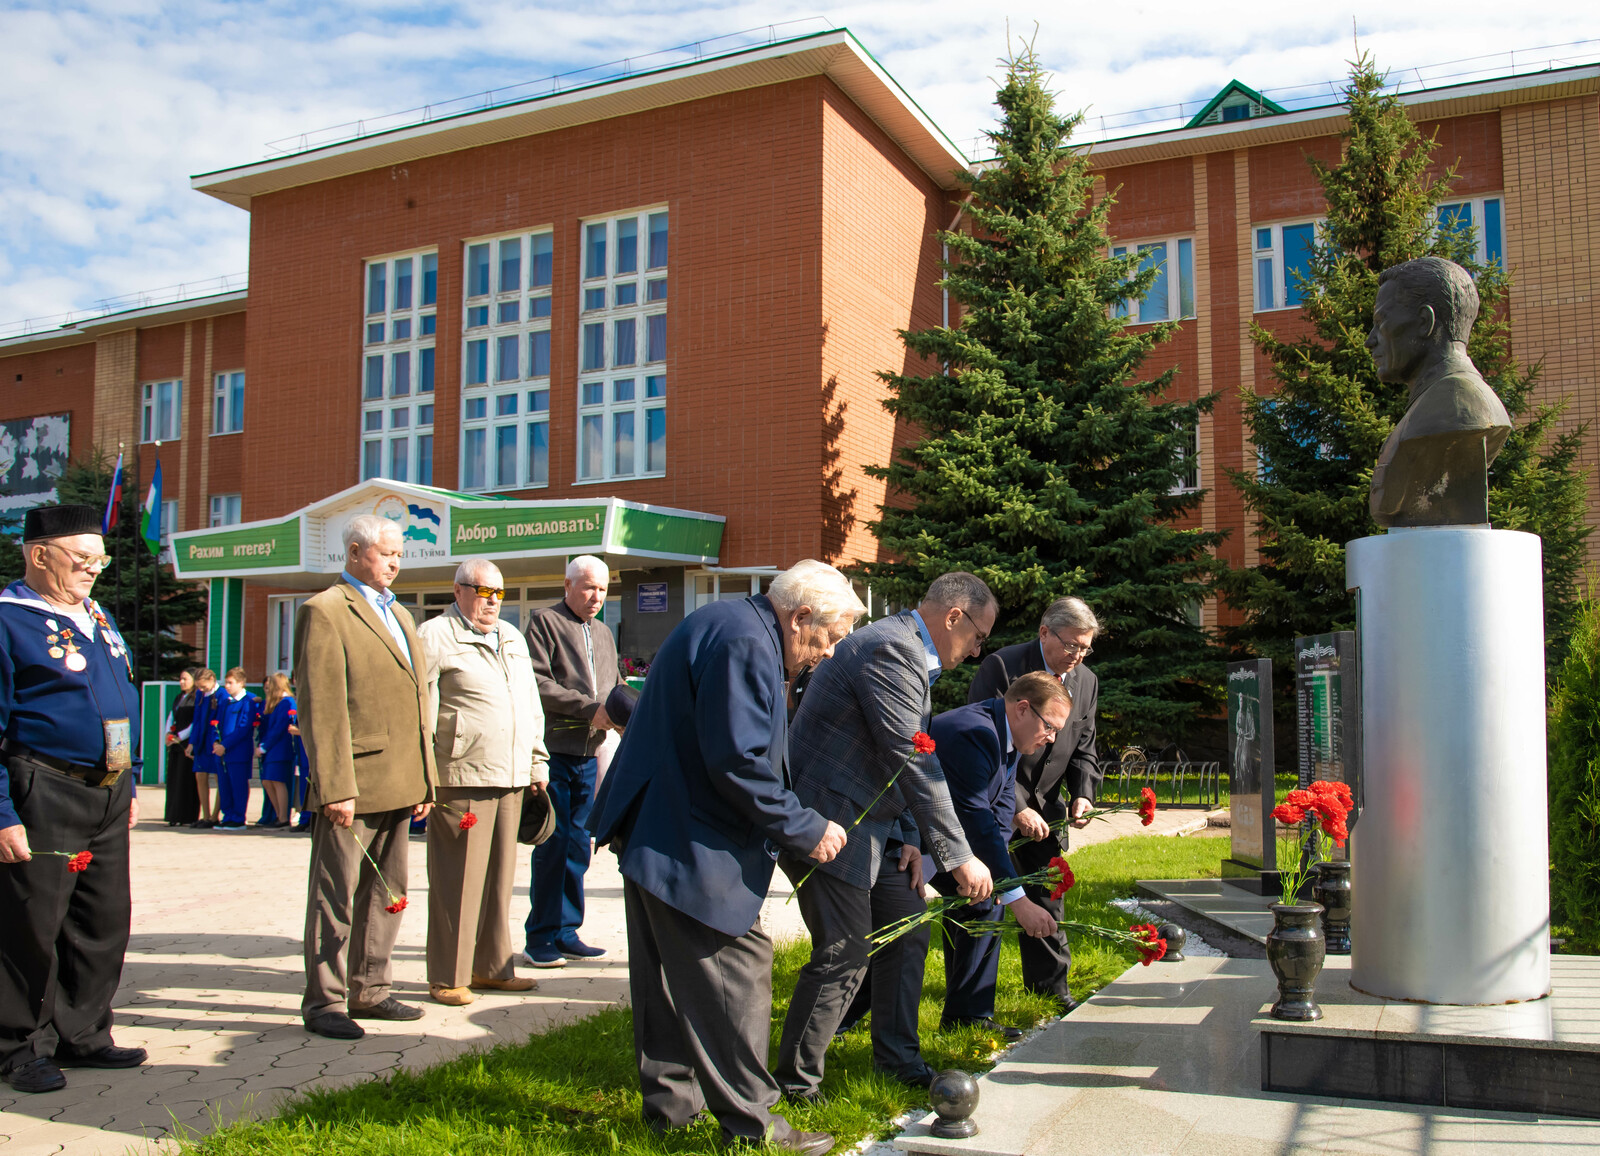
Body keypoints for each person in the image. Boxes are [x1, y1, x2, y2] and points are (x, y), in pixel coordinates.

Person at [589, 559, 860, 1154]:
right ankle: (755, 1125)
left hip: (659, 828)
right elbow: (738, 759)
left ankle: (671, 1112)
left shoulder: (732, 623)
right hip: (685, 838)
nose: (829, 653)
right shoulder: (747, 642)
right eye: (830, 637)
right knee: (737, 968)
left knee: (666, 981)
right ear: (800, 617)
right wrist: (804, 827)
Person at [775, 572, 996, 1099]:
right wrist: (959, 856)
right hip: (829, 820)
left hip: (874, 823)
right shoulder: (892, 649)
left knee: (906, 924)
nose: (977, 650)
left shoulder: (909, 649)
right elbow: (914, 760)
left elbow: (896, 756)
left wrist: (913, 838)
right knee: (845, 951)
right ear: (954, 617)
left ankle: (897, 1061)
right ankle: (796, 1084)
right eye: (979, 636)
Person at [0, 503, 147, 1094]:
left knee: (102, 920)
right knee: (31, 925)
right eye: (82, 558)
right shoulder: (9, 619)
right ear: (40, 555)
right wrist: (1, 813)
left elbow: (118, 695)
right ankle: (17, 1047)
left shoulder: (95, 615)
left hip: (107, 791)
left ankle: (83, 1034)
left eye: (100, 561)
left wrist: (127, 777)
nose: (93, 569)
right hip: (44, 788)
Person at [295, 513, 436, 1040]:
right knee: (335, 896)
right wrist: (335, 787)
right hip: (354, 785)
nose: (395, 563)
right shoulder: (326, 610)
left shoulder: (398, 612)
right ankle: (325, 1001)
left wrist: (427, 779)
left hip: (402, 779)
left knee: (387, 891)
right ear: (355, 553)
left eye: (400, 554)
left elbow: (418, 700)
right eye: (386, 553)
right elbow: (323, 707)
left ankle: (371, 988)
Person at [418, 558, 549, 1007]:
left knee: (498, 882)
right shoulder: (435, 635)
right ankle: (448, 976)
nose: (493, 601)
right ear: (458, 591)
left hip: (511, 775)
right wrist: (424, 775)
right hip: (462, 777)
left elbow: (530, 704)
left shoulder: (511, 636)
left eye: (499, 593)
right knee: (458, 881)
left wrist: (537, 762)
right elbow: (421, 709)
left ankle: (492, 968)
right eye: (483, 591)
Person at [967, 596, 1102, 1010]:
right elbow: (984, 743)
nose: (1077, 656)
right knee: (986, 900)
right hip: (997, 803)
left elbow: (1084, 746)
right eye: (1071, 645)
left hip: (1049, 808)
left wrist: (1084, 793)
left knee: (1047, 895)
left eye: (1085, 648)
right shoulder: (1003, 667)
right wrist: (1017, 806)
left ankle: (1050, 990)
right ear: (1045, 633)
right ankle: (972, 1004)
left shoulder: (1086, 681)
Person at [928, 672, 1070, 1037]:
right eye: (1049, 727)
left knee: (982, 901)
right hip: (908, 840)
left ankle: (966, 1018)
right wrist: (1018, 900)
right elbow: (977, 821)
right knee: (981, 901)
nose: (1051, 738)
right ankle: (843, 1022)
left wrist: (999, 878)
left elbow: (1001, 813)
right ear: (1022, 708)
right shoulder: (976, 733)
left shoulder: (1006, 735)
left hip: (944, 836)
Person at [522, 555, 618, 967]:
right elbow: (537, 681)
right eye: (589, 587)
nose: (596, 596)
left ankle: (566, 931)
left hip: (590, 753)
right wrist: (588, 709)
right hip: (556, 751)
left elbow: (612, 686)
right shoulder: (544, 622)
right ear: (567, 585)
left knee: (579, 844)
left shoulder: (603, 632)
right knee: (553, 844)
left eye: (603, 589)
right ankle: (540, 936)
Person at [1366, 256, 1512, 527]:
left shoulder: (1459, 402)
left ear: (1425, 322)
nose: (1370, 340)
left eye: (1381, 322)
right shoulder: (1430, 404)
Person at [212, 667, 260, 830]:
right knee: (224, 786)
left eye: (230, 683)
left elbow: (243, 728)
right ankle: (228, 816)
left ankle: (238, 818)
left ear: (240, 683)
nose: (227, 686)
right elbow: (216, 724)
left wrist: (225, 745)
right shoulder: (225, 702)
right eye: (226, 682)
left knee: (238, 786)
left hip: (238, 752)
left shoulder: (248, 702)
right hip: (222, 753)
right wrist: (216, 742)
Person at [257, 673, 298, 831]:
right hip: (273, 749)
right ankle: (278, 814)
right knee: (268, 782)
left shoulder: (287, 702)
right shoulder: (279, 702)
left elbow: (280, 727)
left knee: (278, 782)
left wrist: (264, 746)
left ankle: (283, 818)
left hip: (281, 748)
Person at [162, 669, 200, 826]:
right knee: (174, 780)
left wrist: (180, 736)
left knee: (185, 780)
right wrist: (168, 734)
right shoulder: (179, 697)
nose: (182, 682)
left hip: (187, 744)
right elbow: (172, 716)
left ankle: (187, 816)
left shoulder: (196, 698)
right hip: (175, 744)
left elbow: (195, 722)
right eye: (180, 679)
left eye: (185, 679)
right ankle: (173, 815)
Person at [187, 668, 221, 829]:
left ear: (212, 680)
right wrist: (191, 743)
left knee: (218, 778)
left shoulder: (221, 694)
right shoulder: (200, 695)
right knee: (200, 775)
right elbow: (197, 719)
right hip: (201, 741)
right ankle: (206, 815)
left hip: (213, 742)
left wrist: (217, 741)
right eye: (199, 686)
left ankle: (215, 816)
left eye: (204, 686)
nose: (201, 689)